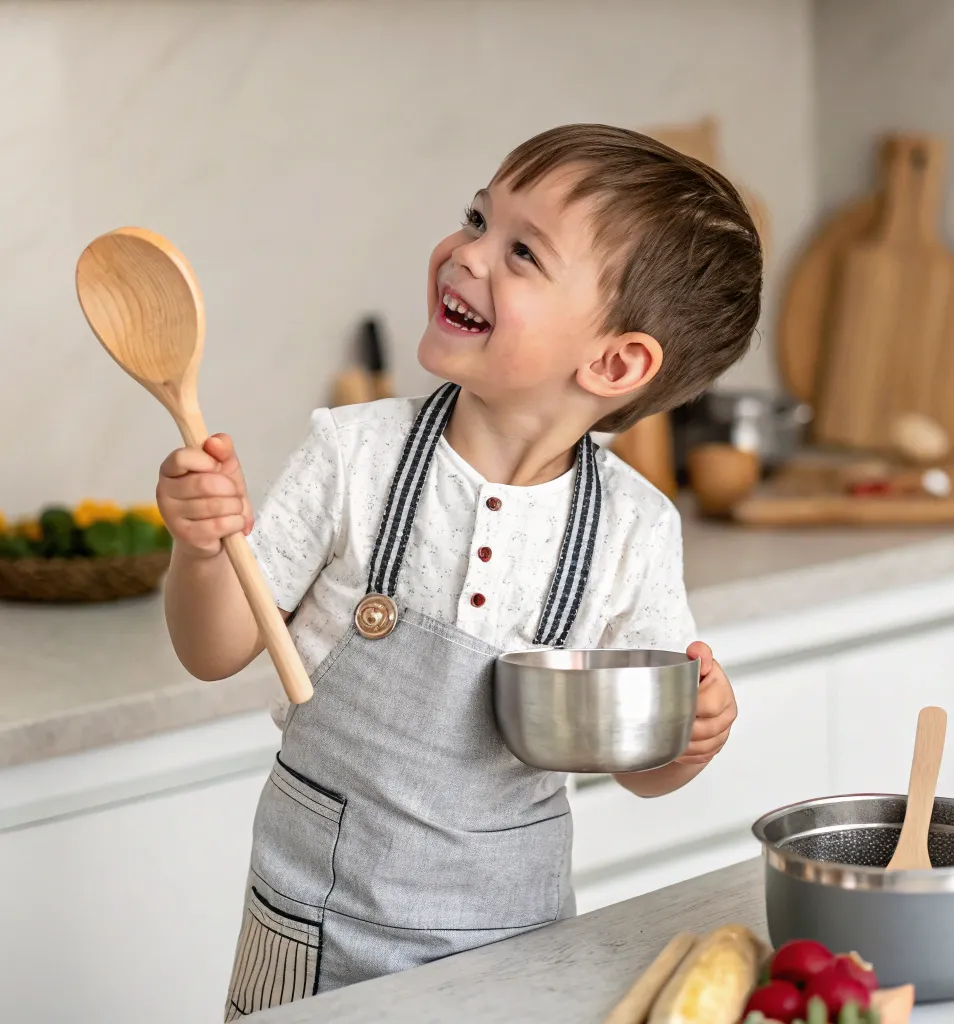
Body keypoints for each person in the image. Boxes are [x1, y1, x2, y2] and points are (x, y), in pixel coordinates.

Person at [155, 124, 761, 1019]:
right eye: (477, 217)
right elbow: (214, 650)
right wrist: (201, 548)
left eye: (521, 251)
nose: (467, 253)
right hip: (312, 924)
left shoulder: (634, 529)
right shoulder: (352, 455)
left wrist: (689, 740)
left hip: (510, 942)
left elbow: (639, 771)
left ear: (616, 362)